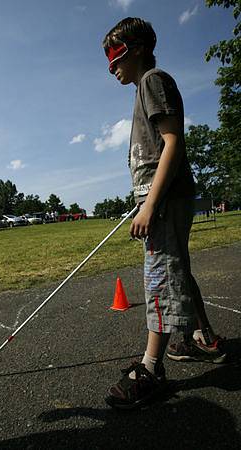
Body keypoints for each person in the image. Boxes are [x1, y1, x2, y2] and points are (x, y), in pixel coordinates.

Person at [102, 17, 226, 410]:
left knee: (159, 277)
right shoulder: (142, 88)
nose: (111, 66)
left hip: (165, 200)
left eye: (115, 54)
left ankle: (151, 369)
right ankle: (199, 338)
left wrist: (151, 203)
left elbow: (172, 141)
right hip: (160, 198)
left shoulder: (153, 79)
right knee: (177, 271)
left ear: (137, 47)